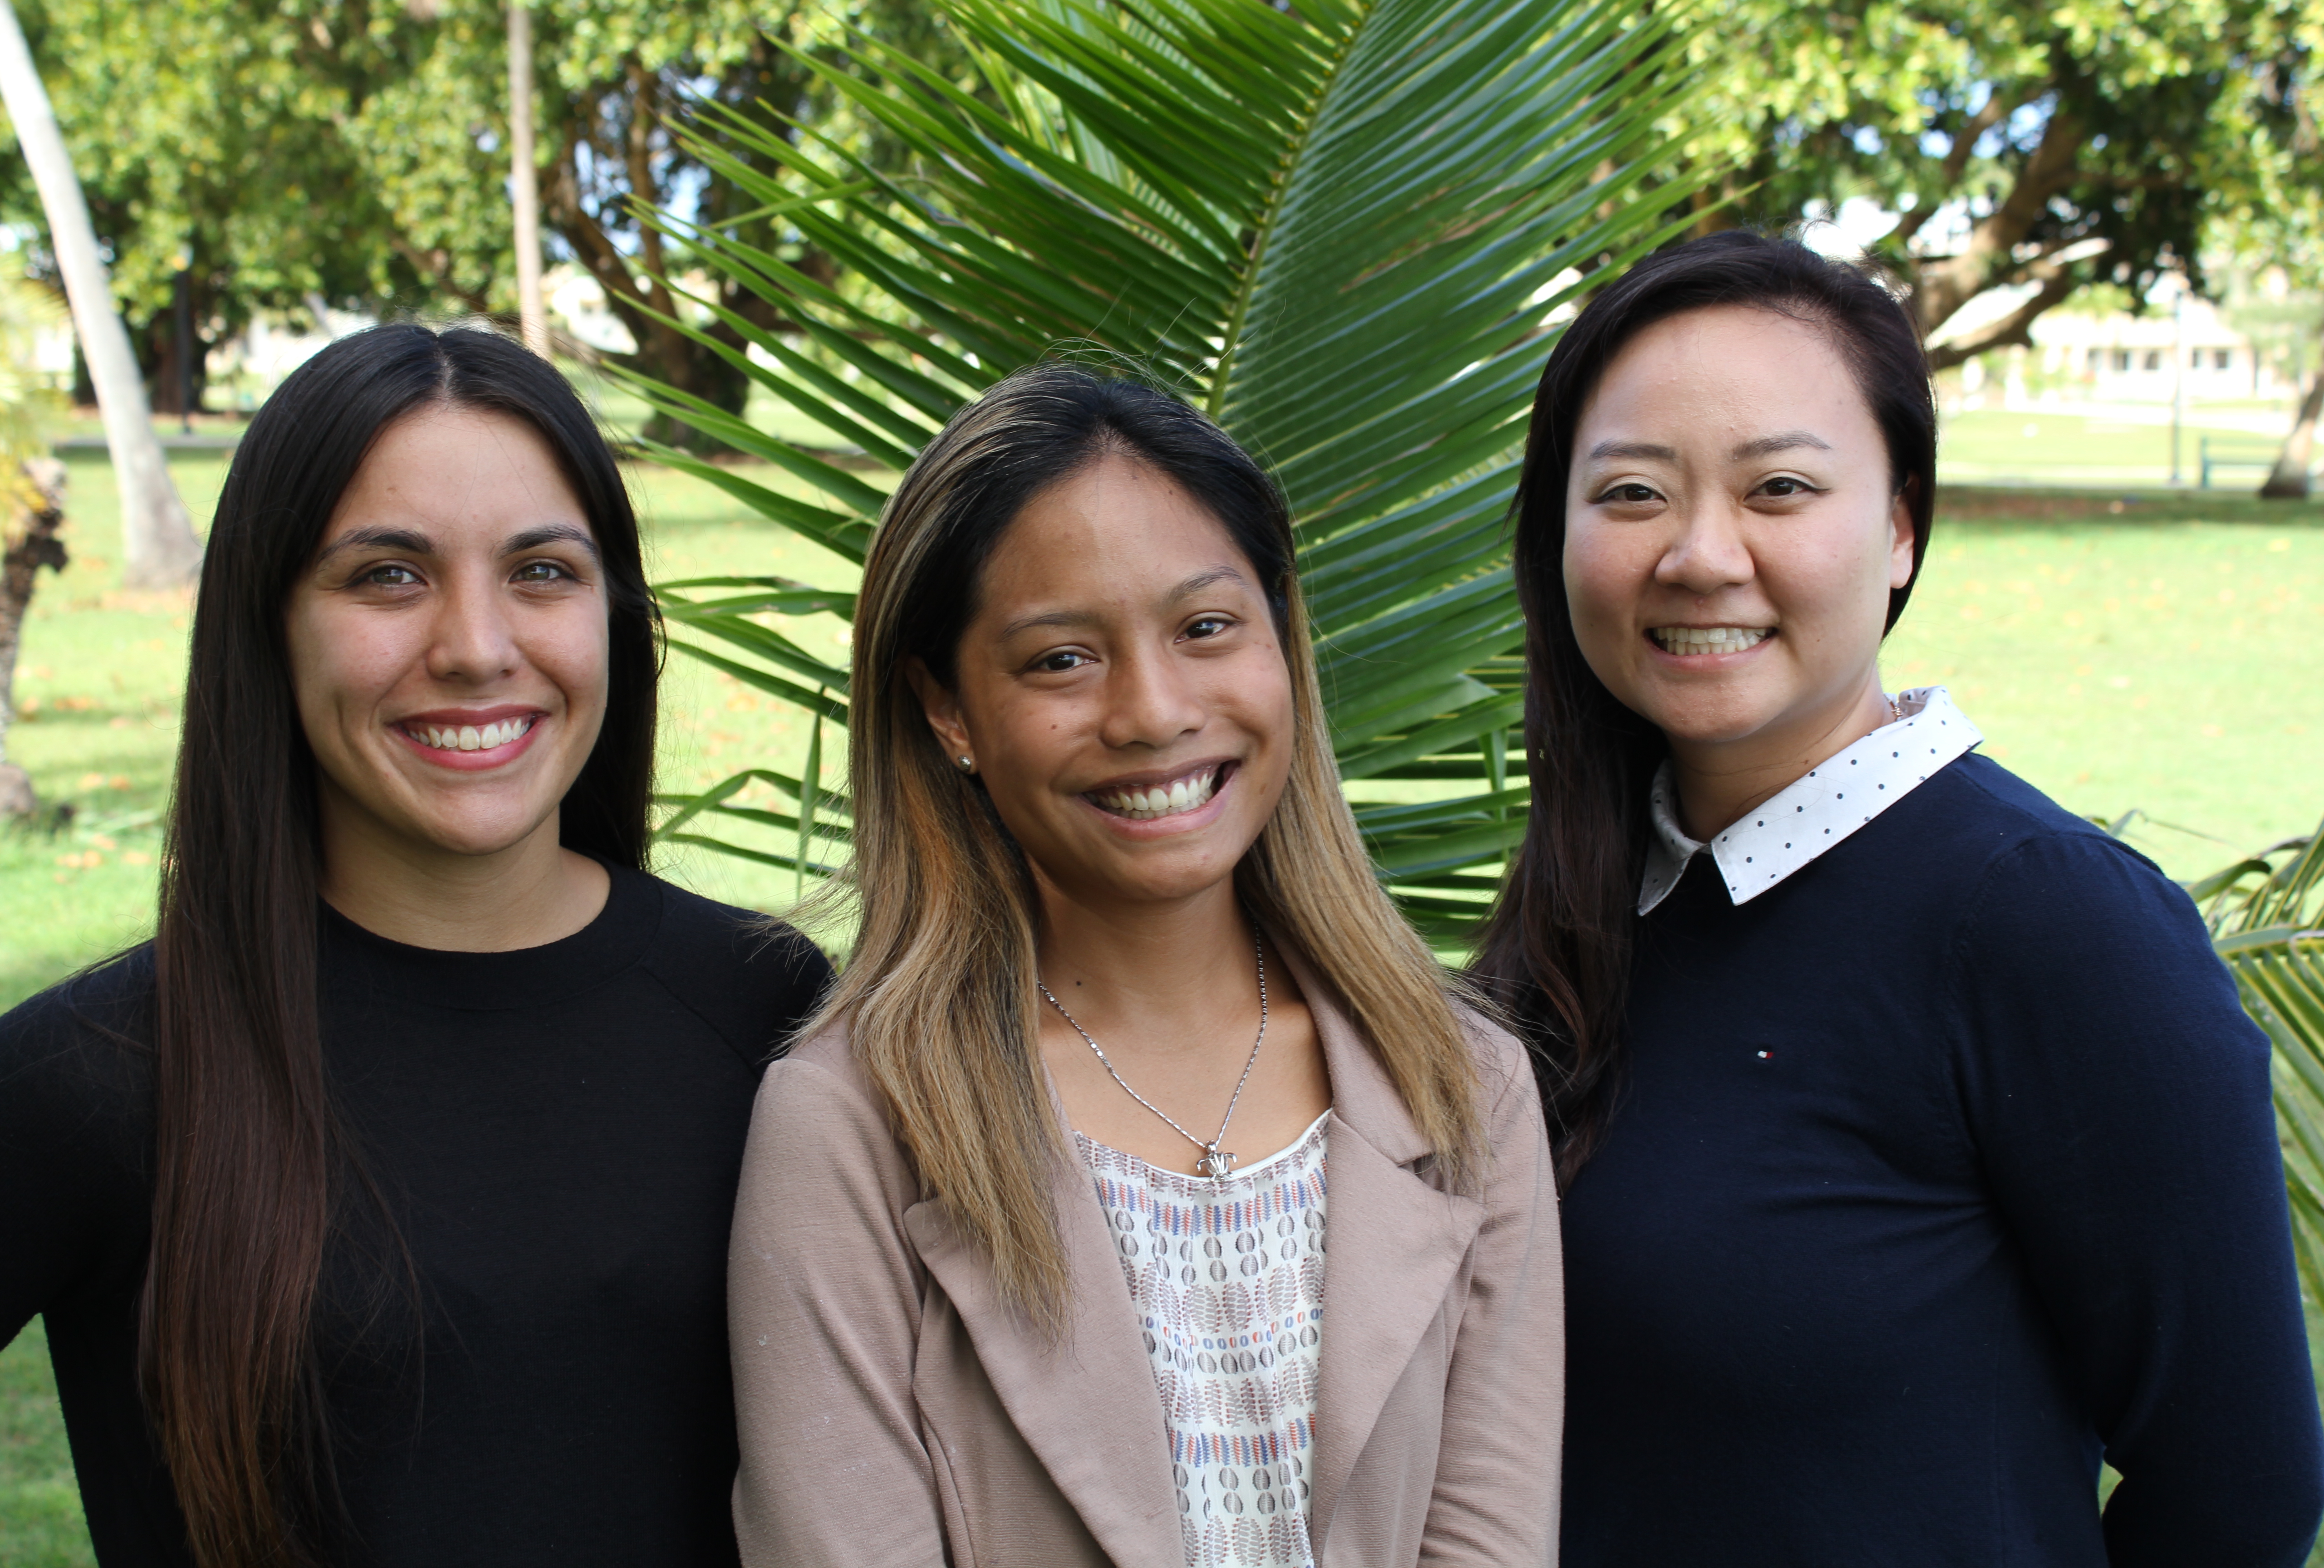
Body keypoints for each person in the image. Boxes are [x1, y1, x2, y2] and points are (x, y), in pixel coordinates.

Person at [1474, 227, 2324, 1565]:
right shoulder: (1586, 898)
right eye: (1633, 492)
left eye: (1781, 490)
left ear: (1902, 529)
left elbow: (2240, 1498)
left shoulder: (2051, 926)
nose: (1700, 555)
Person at [0, 323, 829, 1568]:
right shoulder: (102, 1076)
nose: (478, 647)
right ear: (269, 624)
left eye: (543, 571)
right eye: (387, 576)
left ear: (615, 618)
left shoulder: (769, 1009)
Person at [725, 363, 1559, 1568]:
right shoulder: (852, 1125)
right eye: (1061, 660)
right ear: (948, 711)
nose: (1155, 711)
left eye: (1207, 627)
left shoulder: (1463, 1085)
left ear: (1283, 640)